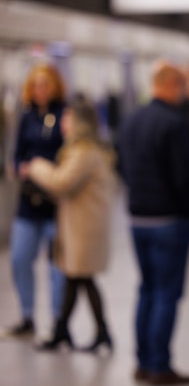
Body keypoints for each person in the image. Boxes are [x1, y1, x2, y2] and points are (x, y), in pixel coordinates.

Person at [117, 61, 189, 385]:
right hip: (169, 220)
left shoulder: (131, 120)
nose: (182, 94)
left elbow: (121, 165)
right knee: (166, 293)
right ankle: (159, 365)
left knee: (147, 289)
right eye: (181, 87)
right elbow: (185, 177)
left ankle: (142, 361)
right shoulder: (174, 123)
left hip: (138, 218)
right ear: (170, 85)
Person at [25, 97, 117, 352]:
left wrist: (37, 167)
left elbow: (61, 182)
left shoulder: (84, 151)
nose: (63, 123)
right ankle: (72, 330)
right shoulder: (87, 149)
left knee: (80, 277)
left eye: (67, 118)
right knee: (77, 279)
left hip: (84, 227)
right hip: (80, 223)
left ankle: (84, 331)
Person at [3, 64, 66, 338]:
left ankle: (57, 321)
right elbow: (17, 153)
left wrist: (42, 167)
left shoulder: (64, 115)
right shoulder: (26, 116)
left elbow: (68, 155)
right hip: (28, 202)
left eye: (45, 84)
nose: (40, 89)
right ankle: (27, 316)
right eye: (36, 84)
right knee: (19, 259)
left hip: (55, 201)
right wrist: (18, 167)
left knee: (57, 266)